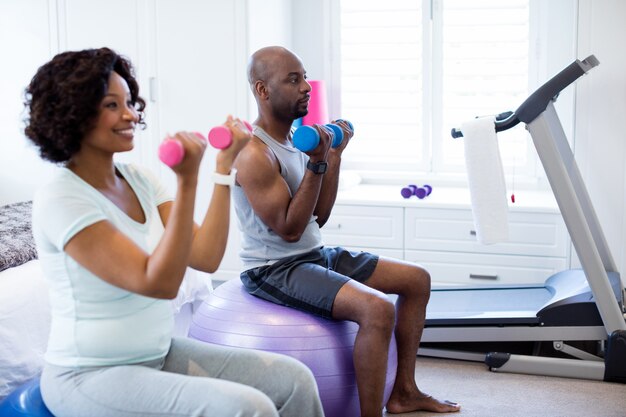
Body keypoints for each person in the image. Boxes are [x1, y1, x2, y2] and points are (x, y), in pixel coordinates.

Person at [24, 47, 324, 417]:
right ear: (72, 112)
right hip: (89, 374)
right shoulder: (62, 198)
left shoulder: (139, 180)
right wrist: (186, 181)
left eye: (130, 102)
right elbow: (158, 282)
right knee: (250, 408)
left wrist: (222, 170)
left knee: (294, 379)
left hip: (156, 354)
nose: (130, 114)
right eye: (111, 105)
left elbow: (206, 257)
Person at [232, 45, 461, 417]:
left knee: (417, 279)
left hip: (312, 254)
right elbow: (289, 230)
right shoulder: (254, 153)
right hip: (273, 268)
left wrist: (332, 158)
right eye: (293, 79)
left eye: (304, 76)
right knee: (377, 309)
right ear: (262, 90)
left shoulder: (293, 143)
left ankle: (403, 392)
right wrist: (317, 163)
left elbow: (317, 216)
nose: (306, 86)